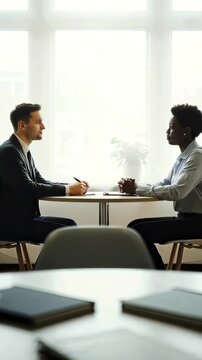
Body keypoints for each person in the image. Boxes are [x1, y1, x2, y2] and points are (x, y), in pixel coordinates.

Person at [118, 104, 202, 269]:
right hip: (185, 219)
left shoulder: (197, 156)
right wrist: (136, 186)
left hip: (197, 223)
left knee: (138, 231)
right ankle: (155, 273)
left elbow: (176, 192)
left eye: (172, 127)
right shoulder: (184, 157)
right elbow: (166, 183)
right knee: (134, 227)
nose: (167, 131)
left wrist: (136, 189)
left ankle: (159, 276)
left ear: (186, 130)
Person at [0, 103, 89, 243]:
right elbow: (28, 188)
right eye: (38, 122)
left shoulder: (22, 150)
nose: (43, 127)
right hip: (11, 226)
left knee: (69, 225)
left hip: (23, 221)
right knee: (69, 229)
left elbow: (40, 181)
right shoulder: (9, 151)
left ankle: (48, 265)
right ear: (22, 125)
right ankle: (48, 265)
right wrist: (68, 189)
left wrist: (72, 186)